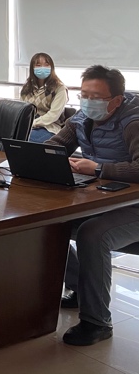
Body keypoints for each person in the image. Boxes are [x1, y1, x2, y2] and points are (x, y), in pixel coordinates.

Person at [46, 66, 139, 346]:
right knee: (48, 222)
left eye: (95, 97)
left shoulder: (133, 122)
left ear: (117, 100)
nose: (87, 102)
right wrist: (44, 157)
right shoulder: (81, 118)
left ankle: (97, 322)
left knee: (93, 233)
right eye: (84, 95)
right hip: (107, 198)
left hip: (134, 206)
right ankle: (79, 289)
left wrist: (99, 168)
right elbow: (55, 145)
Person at [20, 52, 69, 143]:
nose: (42, 68)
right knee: (9, 136)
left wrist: (33, 123)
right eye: (38, 65)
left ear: (51, 67)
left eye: (46, 65)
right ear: (32, 68)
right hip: (29, 126)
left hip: (49, 127)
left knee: (26, 140)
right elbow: (22, 110)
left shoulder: (59, 88)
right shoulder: (26, 88)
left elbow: (53, 115)